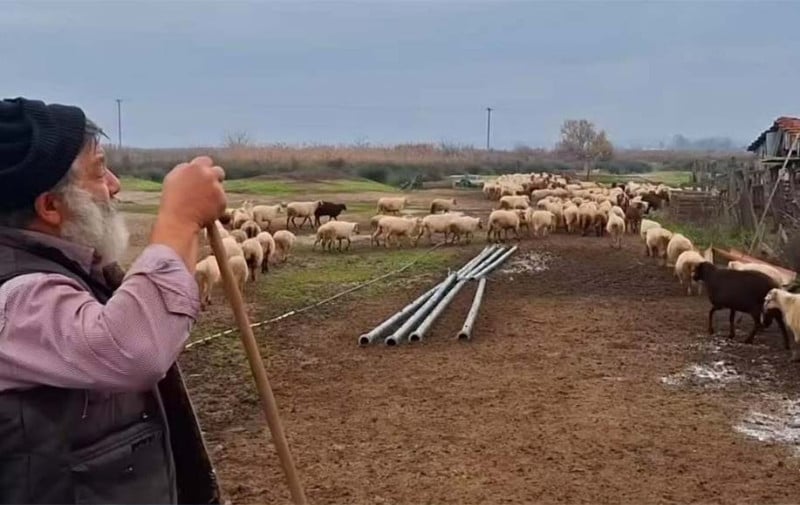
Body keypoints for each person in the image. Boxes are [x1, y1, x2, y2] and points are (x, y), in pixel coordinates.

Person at [0, 97, 226, 504]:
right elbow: (131, 348)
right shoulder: (15, 297)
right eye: (100, 169)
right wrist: (178, 218)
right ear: (50, 206)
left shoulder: (63, 269)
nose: (115, 184)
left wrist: (189, 228)